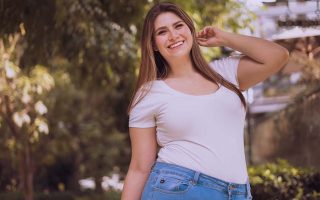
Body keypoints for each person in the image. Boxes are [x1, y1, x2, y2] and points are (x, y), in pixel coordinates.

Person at [121, 2, 289, 200]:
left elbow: (278, 56)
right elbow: (140, 168)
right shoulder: (150, 93)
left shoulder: (226, 72)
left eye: (178, 26)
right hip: (179, 190)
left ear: (190, 29)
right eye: (162, 32)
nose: (173, 36)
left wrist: (225, 38)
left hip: (237, 193)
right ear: (154, 45)